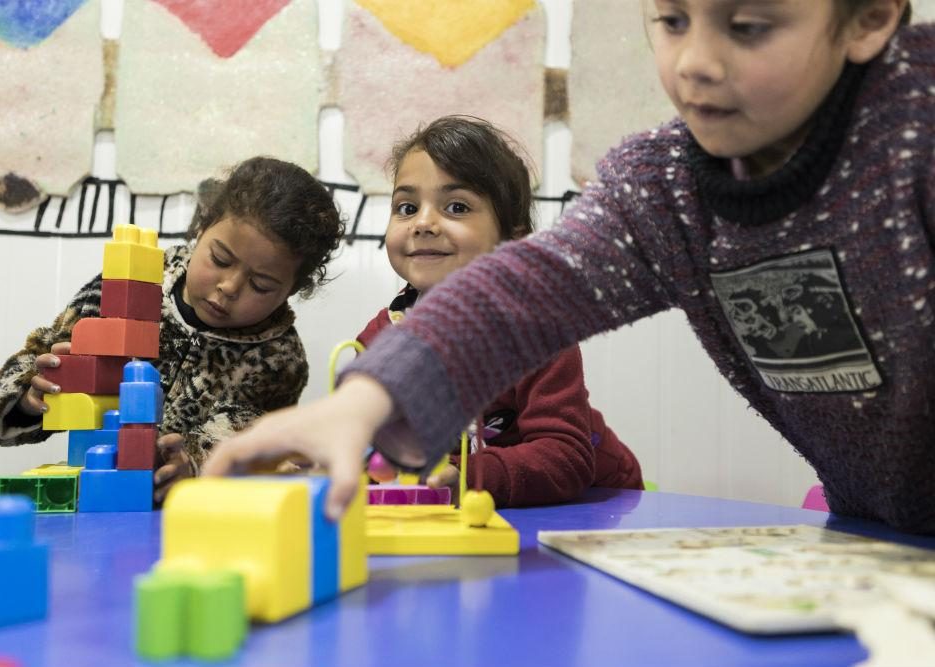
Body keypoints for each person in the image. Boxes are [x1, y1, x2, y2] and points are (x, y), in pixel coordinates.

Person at [206, 1, 934, 533]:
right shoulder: (664, 189)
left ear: (868, 19)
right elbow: (527, 289)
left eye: (747, 27)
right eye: (673, 20)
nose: (694, 63)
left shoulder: (917, 124)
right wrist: (356, 406)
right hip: (878, 527)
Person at [0, 156, 344, 501]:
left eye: (262, 285)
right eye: (220, 259)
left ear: (292, 290)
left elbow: (252, 444)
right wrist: (31, 396)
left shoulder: (279, 359)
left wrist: (193, 464)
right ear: (201, 229)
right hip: (93, 495)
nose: (230, 287)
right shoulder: (130, 285)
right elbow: (37, 361)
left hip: (190, 519)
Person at [356, 116, 642, 507]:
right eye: (406, 207)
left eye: (455, 206)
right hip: (466, 511)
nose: (422, 223)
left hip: (599, 503)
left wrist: (465, 476)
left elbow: (566, 457)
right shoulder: (379, 338)